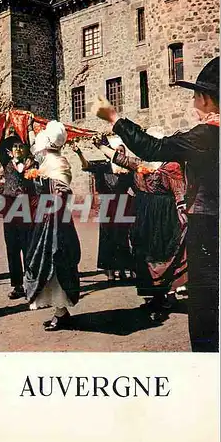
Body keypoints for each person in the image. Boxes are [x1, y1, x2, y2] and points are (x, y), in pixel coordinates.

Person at [94, 57, 219, 352]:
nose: (192, 101)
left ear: (206, 98)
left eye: (195, 95)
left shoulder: (208, 134)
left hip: (208, 225)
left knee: (205, 307)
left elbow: (152, 148)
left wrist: (114, 117)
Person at [97, 127, 188, 319]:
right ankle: (154, 297)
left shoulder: (171, 165)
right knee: (143, 253)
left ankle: (163, 298)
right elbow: (121, 160)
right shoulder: (141, 163)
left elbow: (179, 192)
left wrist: (183, 214)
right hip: (143, 212)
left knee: (160, 253)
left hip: (163, 215)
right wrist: (101, 146)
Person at [24, 121, 81, 331]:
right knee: (47, 261)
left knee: (55, 261)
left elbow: (62, 193)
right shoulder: (51, 159)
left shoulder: (56, 163)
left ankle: (60, 312)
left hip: (55, 219)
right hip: (50, 217)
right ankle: (60, 311)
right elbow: (34, 149)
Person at [71, 138, 135, 281]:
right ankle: (110, 271)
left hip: (123, 206)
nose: (119, 153)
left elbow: (136, 186)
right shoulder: (103, 167)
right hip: (107, 206)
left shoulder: (128, 169)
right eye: (117, 150)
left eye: (121, 151)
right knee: (108, 239)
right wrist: (79, 153)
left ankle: (124, 270)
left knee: (123, 238)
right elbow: (87, 165)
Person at [0, 133, 37, 299]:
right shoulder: (6, 163)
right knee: (12, 248)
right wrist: (5, 125)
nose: (18, 149)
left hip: (26, 209)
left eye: (21, 146)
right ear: (10, 151)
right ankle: (17, 285)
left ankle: (30, 283)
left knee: (28, 246)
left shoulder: (32, 164)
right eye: (15, 147)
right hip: (9, 208)